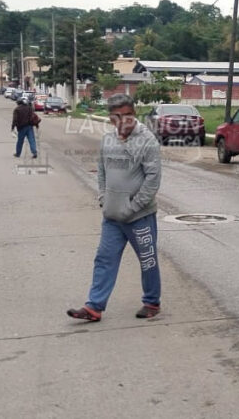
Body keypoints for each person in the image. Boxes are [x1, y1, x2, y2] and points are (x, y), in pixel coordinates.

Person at [67, 94, 162, 322]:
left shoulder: (148, 140)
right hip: (112, 216)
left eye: (128, 115)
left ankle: (152, 302)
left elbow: (153, 180)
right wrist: (103, 197)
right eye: (118, 116)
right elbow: (101, 170)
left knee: (147, 260)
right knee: (104, 259)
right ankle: (94, 307)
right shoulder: (108, 140)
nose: (124, 121)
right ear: (111, 119)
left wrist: (132, 207)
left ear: (134, 114)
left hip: (139, 216)